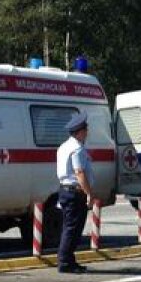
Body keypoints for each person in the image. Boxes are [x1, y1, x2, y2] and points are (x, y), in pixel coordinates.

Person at [55, 113, 95, 273]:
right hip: (75, 193)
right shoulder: (77, 149)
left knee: (69, 227)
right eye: (86, 129)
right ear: (79, 131)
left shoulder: (64, 146)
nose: (87, 131)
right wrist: (89, 193)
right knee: (73, 229)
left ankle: (69, 261)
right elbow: (80, 172)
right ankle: (64, 262)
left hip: (65, 191)